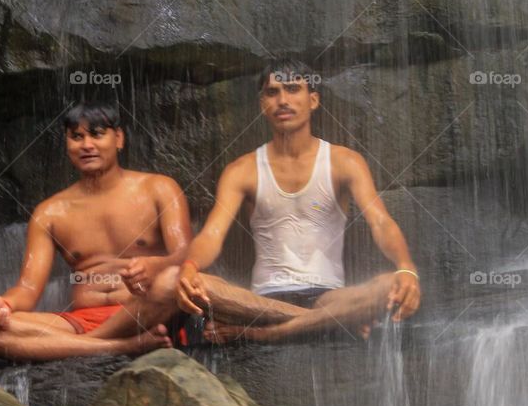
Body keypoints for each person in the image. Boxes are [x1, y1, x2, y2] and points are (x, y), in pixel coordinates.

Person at [174, 61, 421, 343]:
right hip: (260, 302)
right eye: (273, 92)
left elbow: (380, 222)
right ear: (261, 104)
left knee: (388, 285)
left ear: (313, 100)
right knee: (202, 285)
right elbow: (212, 234)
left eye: (293, 89)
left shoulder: (345, 162)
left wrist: (406, 266)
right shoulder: (241, 170)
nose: (283, 100)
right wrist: (190, 267)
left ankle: (262, 335)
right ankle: (329, 324)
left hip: (330, 298)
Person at [0, 99, 189, 361]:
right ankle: (120, 347)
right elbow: (27, 289)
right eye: (76, 137)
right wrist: (4, 304)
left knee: (172, 280)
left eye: (96, 134)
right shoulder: (49, 212)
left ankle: (78, 346)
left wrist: (154, 266)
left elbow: (188, 258)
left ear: (118, 138)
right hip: (80, 320)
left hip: (144, 312)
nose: (86, 145)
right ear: (67, 144)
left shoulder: (159, 189)